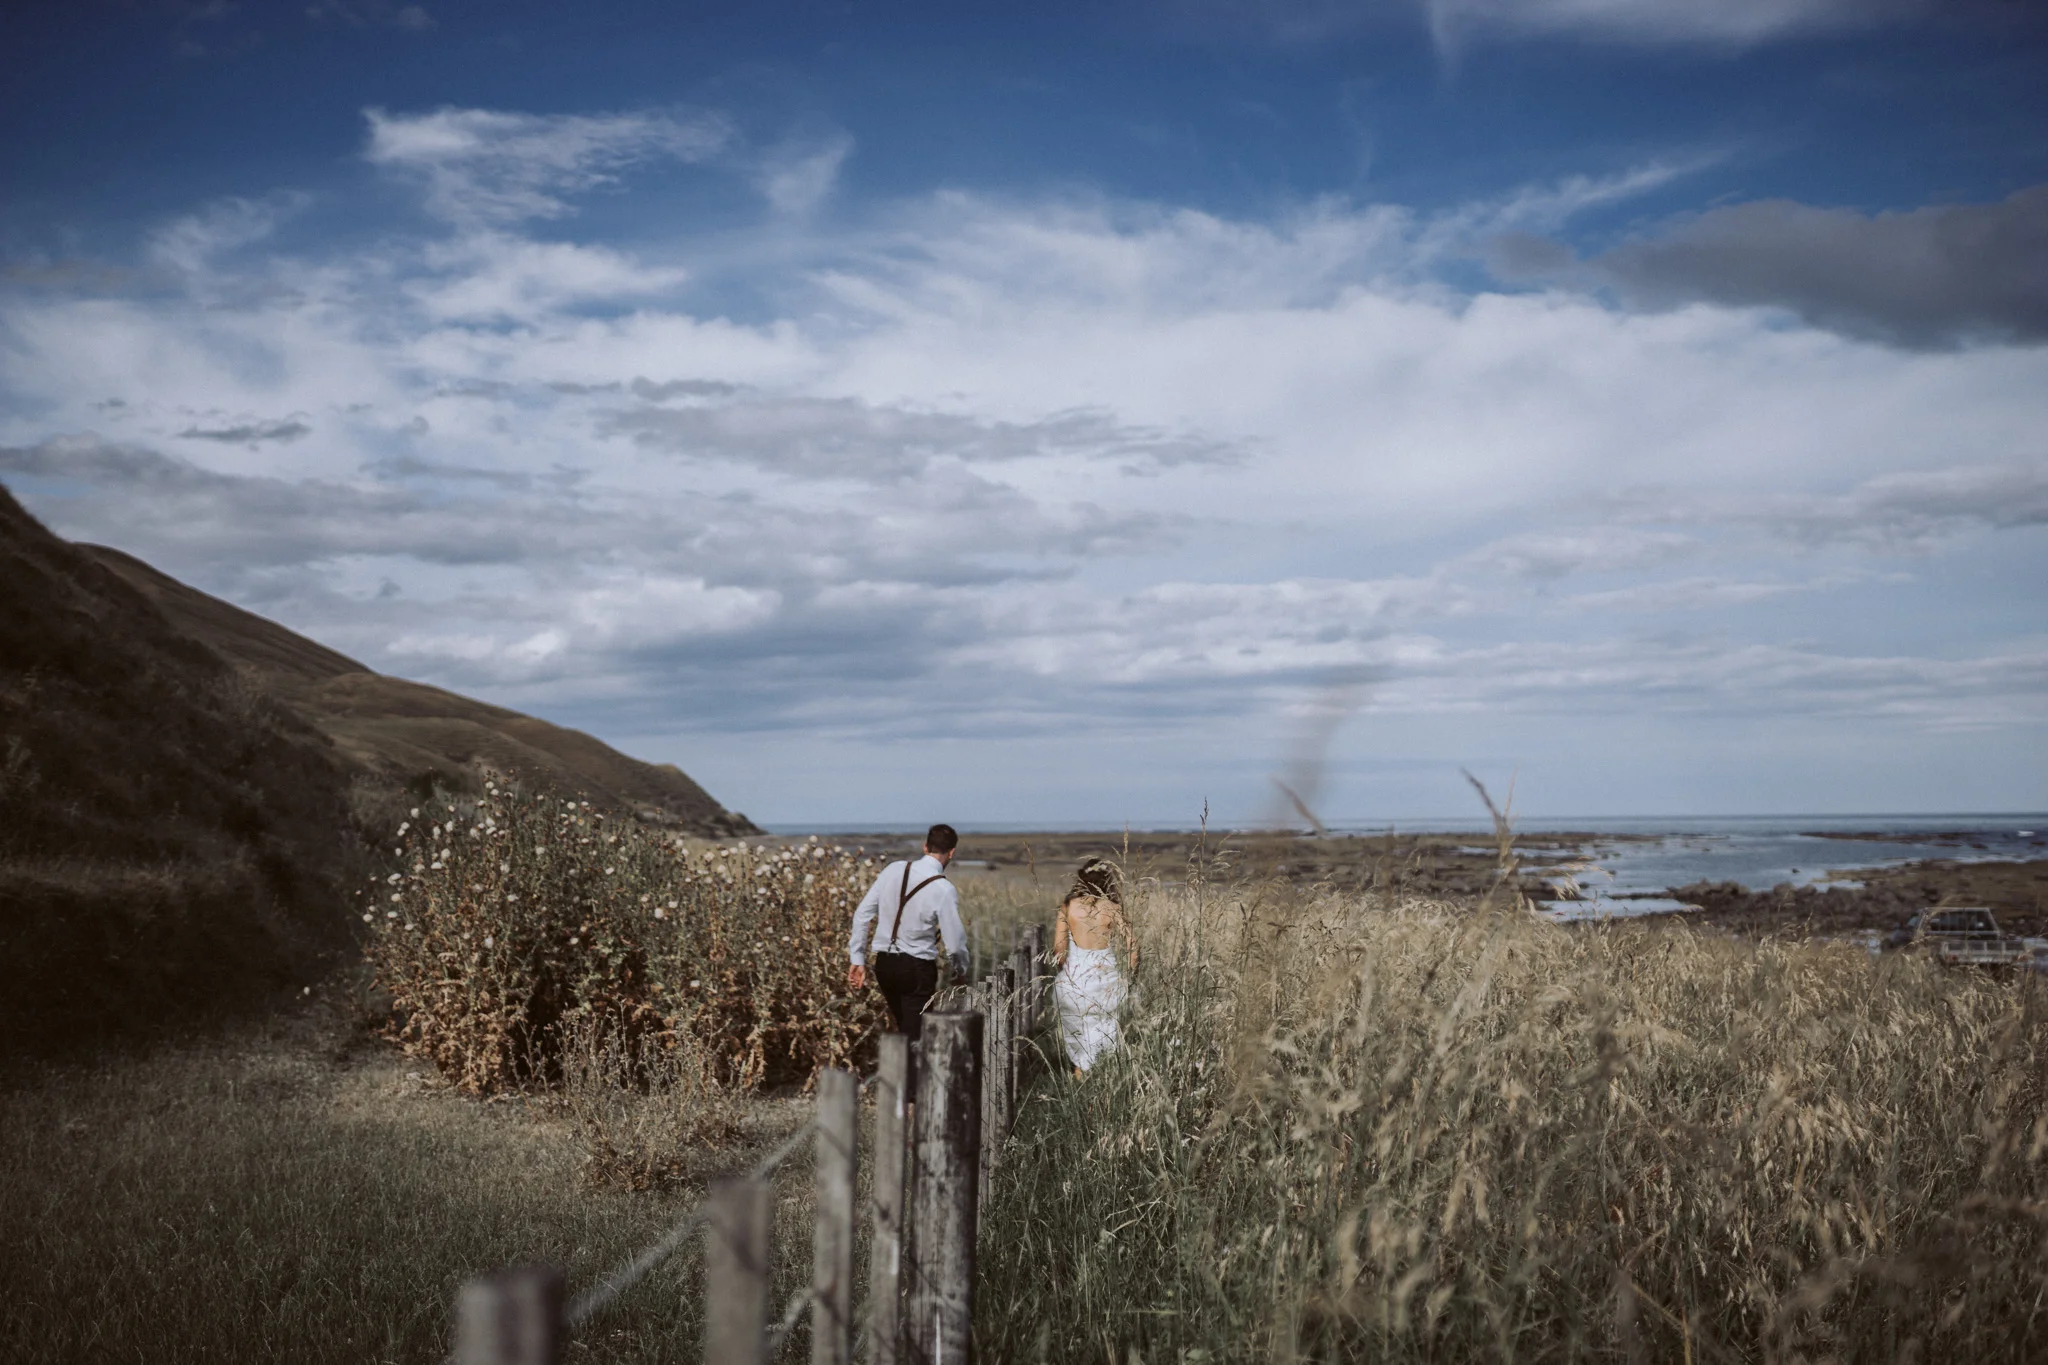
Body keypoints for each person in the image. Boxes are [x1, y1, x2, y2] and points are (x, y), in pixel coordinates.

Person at [847, 823, 968, 1045]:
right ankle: (910, 1077)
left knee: (905, 1031)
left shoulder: (893, 869)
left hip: (884, 966)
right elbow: (955, 944)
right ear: (952, 852)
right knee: (916, 1039)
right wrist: (960, 971)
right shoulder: (943, 889)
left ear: (925, 847)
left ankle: (902, 1074)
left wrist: (857, 959)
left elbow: (862, 914)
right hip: (917, 968)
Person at [1053, 857, 1136, 1074]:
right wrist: (1130, 972)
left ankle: (1080, 1070)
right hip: (1105, 973)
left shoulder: (1068, 907)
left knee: (1078, 1026)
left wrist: (1064, 970)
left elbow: (1058, 949)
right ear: (1107, 881)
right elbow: (1132, 943)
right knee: (1104, 1025)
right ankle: (1099, 1073)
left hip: (1076, 973)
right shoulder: (1113, 908)